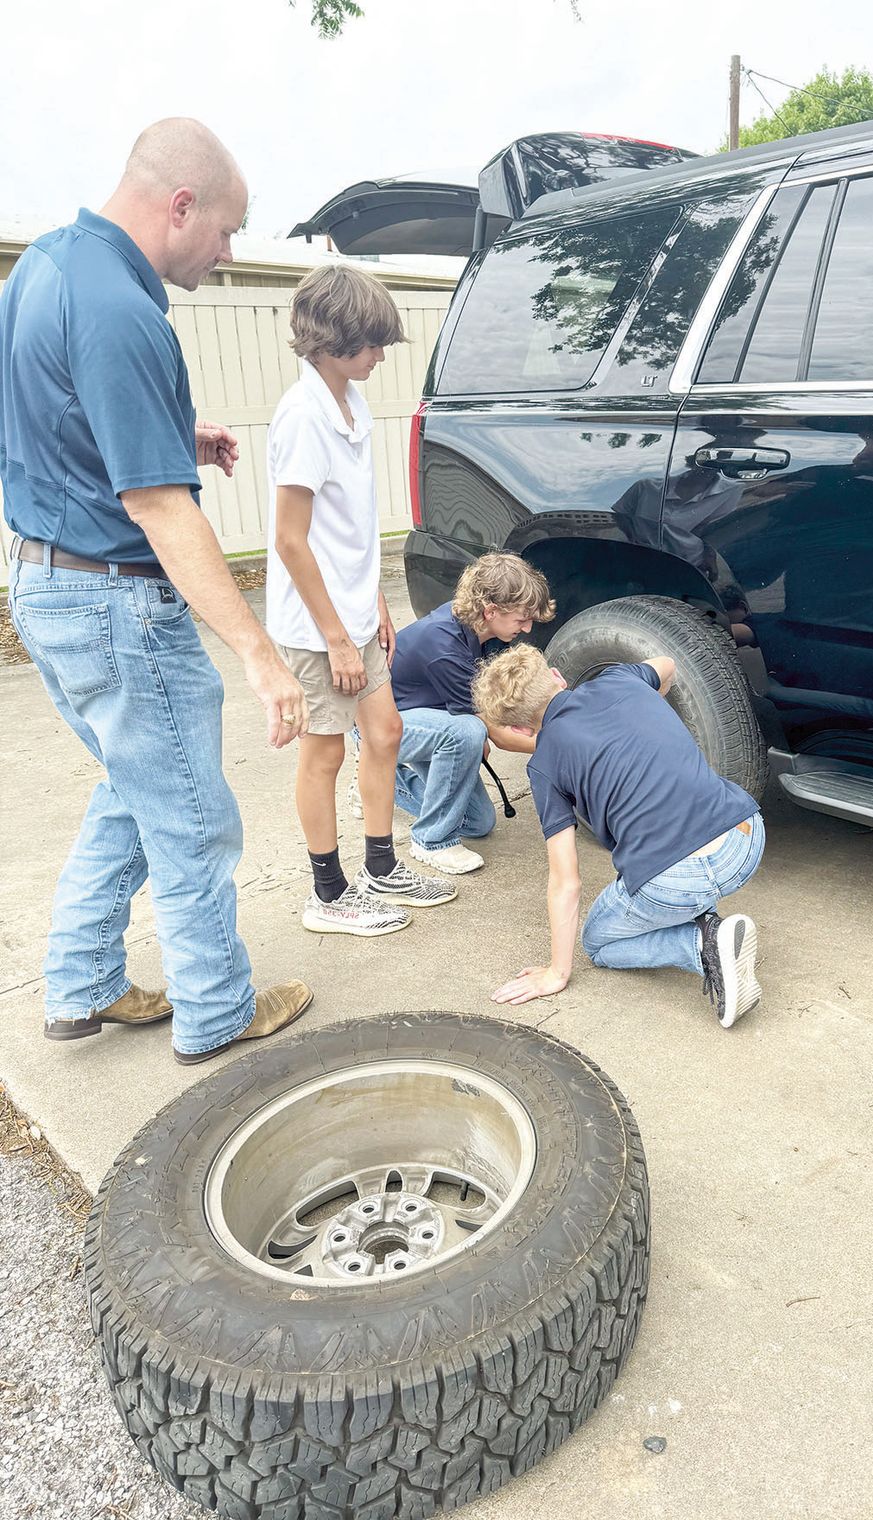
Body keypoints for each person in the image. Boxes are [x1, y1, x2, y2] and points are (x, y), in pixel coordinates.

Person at [0, 118, 312, 1065]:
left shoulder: (45, 269)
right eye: (226, 230)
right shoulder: (119, 310)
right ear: (181, 205)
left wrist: (177, 431)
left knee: (134, 788)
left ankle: (82, 982)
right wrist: (260, 655)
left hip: (44, 580)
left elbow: (57, 419)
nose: (228, 253)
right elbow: (161, 511)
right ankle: (217, 1010)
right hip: (115, 601)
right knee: (189, 812)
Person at [266, 265, 455, 934]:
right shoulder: (302, 416)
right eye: (373, 342)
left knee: (386, 732)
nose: (380, 355)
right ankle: (328, 893)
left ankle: (382, 866)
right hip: (315, 625)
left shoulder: (352, 401)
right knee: (324, 752)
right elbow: (291, 543)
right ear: (336, 337)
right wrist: (336, 637)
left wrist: (372, 598)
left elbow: (346, 524)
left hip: (352, 613)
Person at [473, 644, 765, 1028]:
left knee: (599, 943)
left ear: (522, 729)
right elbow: (667, 664)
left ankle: (702, 943)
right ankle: (700, 913)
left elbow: (566, 881)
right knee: (673, 869)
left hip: (673, 878)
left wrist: (556, 973)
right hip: (745, 838)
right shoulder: (621, 679)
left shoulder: (544, 765)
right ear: (557, 676)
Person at [387, 553, 555, 874]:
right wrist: (564, 743)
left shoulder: (478, 630)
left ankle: (381, 779)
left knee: (478, 821)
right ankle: (431, 840)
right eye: (522, 618)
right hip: (379, 724)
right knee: (469, 733)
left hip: (424, 718)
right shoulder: (443, 646)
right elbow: (495, 731)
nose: (528, 627)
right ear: (490, 610)